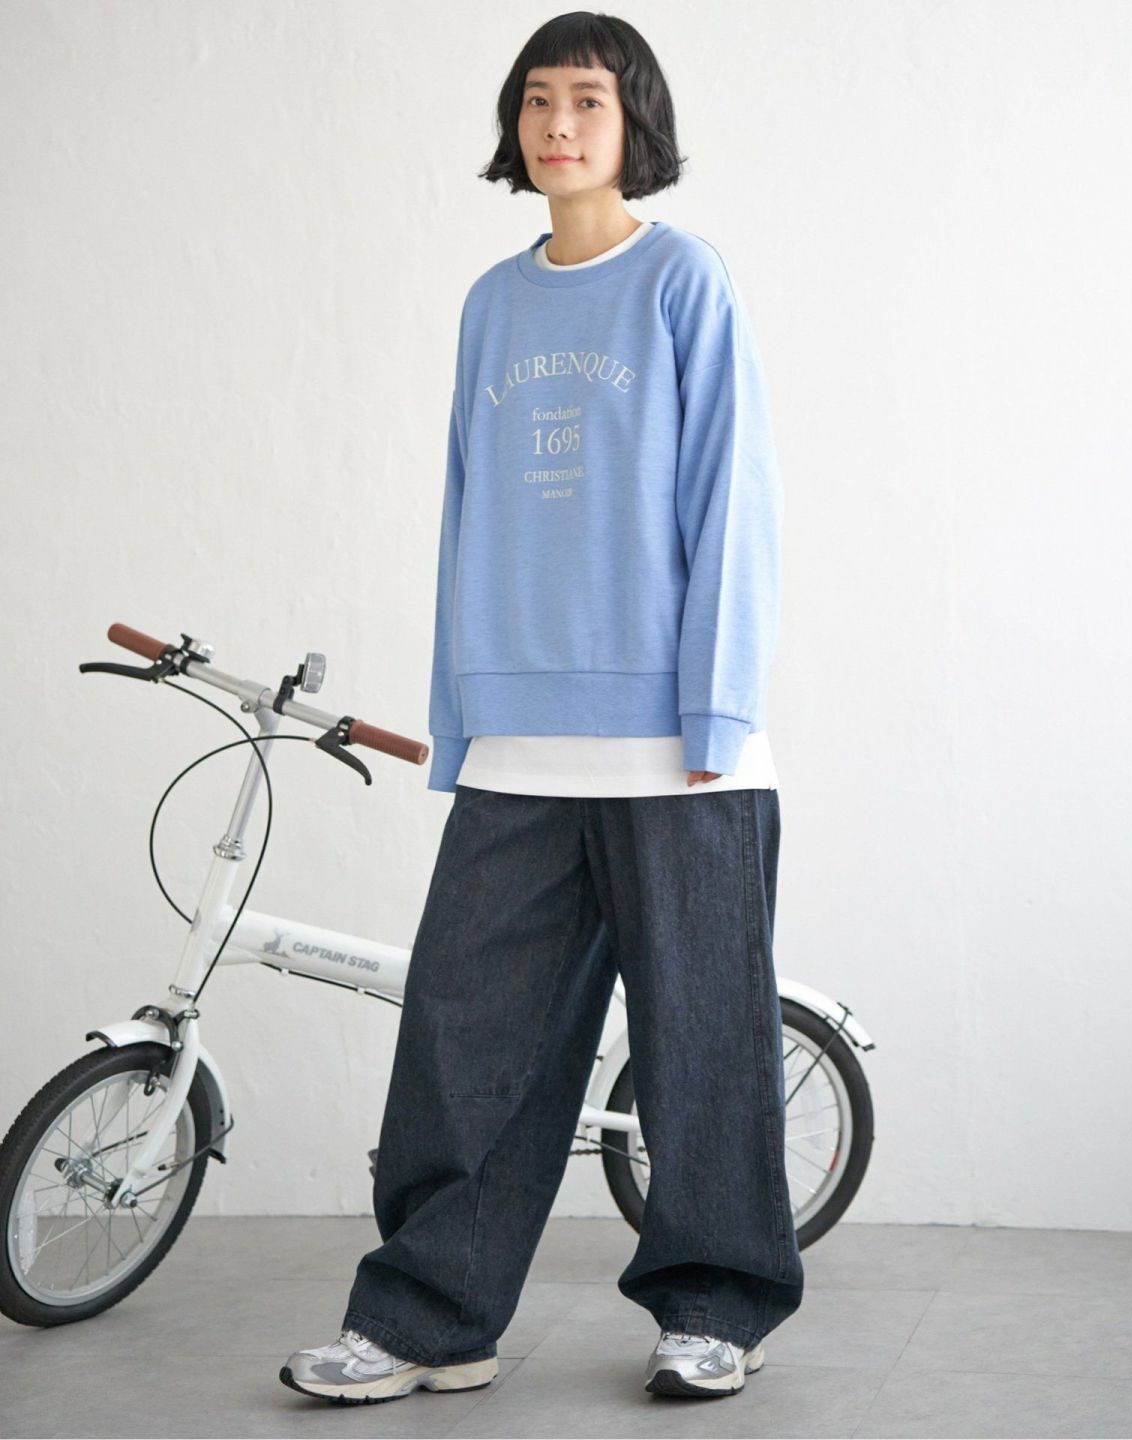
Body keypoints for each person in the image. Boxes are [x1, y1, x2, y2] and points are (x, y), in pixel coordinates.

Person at [280, 9, 803, 1405]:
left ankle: (717, 1307)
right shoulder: (492, 303)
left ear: (635, 122)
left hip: (678, 746)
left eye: (586, 100)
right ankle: (429, 1320)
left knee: (700, 1048)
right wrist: (458, 713)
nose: (557, 125)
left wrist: (718, 712)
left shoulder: (684, 280)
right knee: (464, 1042)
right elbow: (468, 511)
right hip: (521, 739)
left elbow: (733, 499)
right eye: (535, 100)